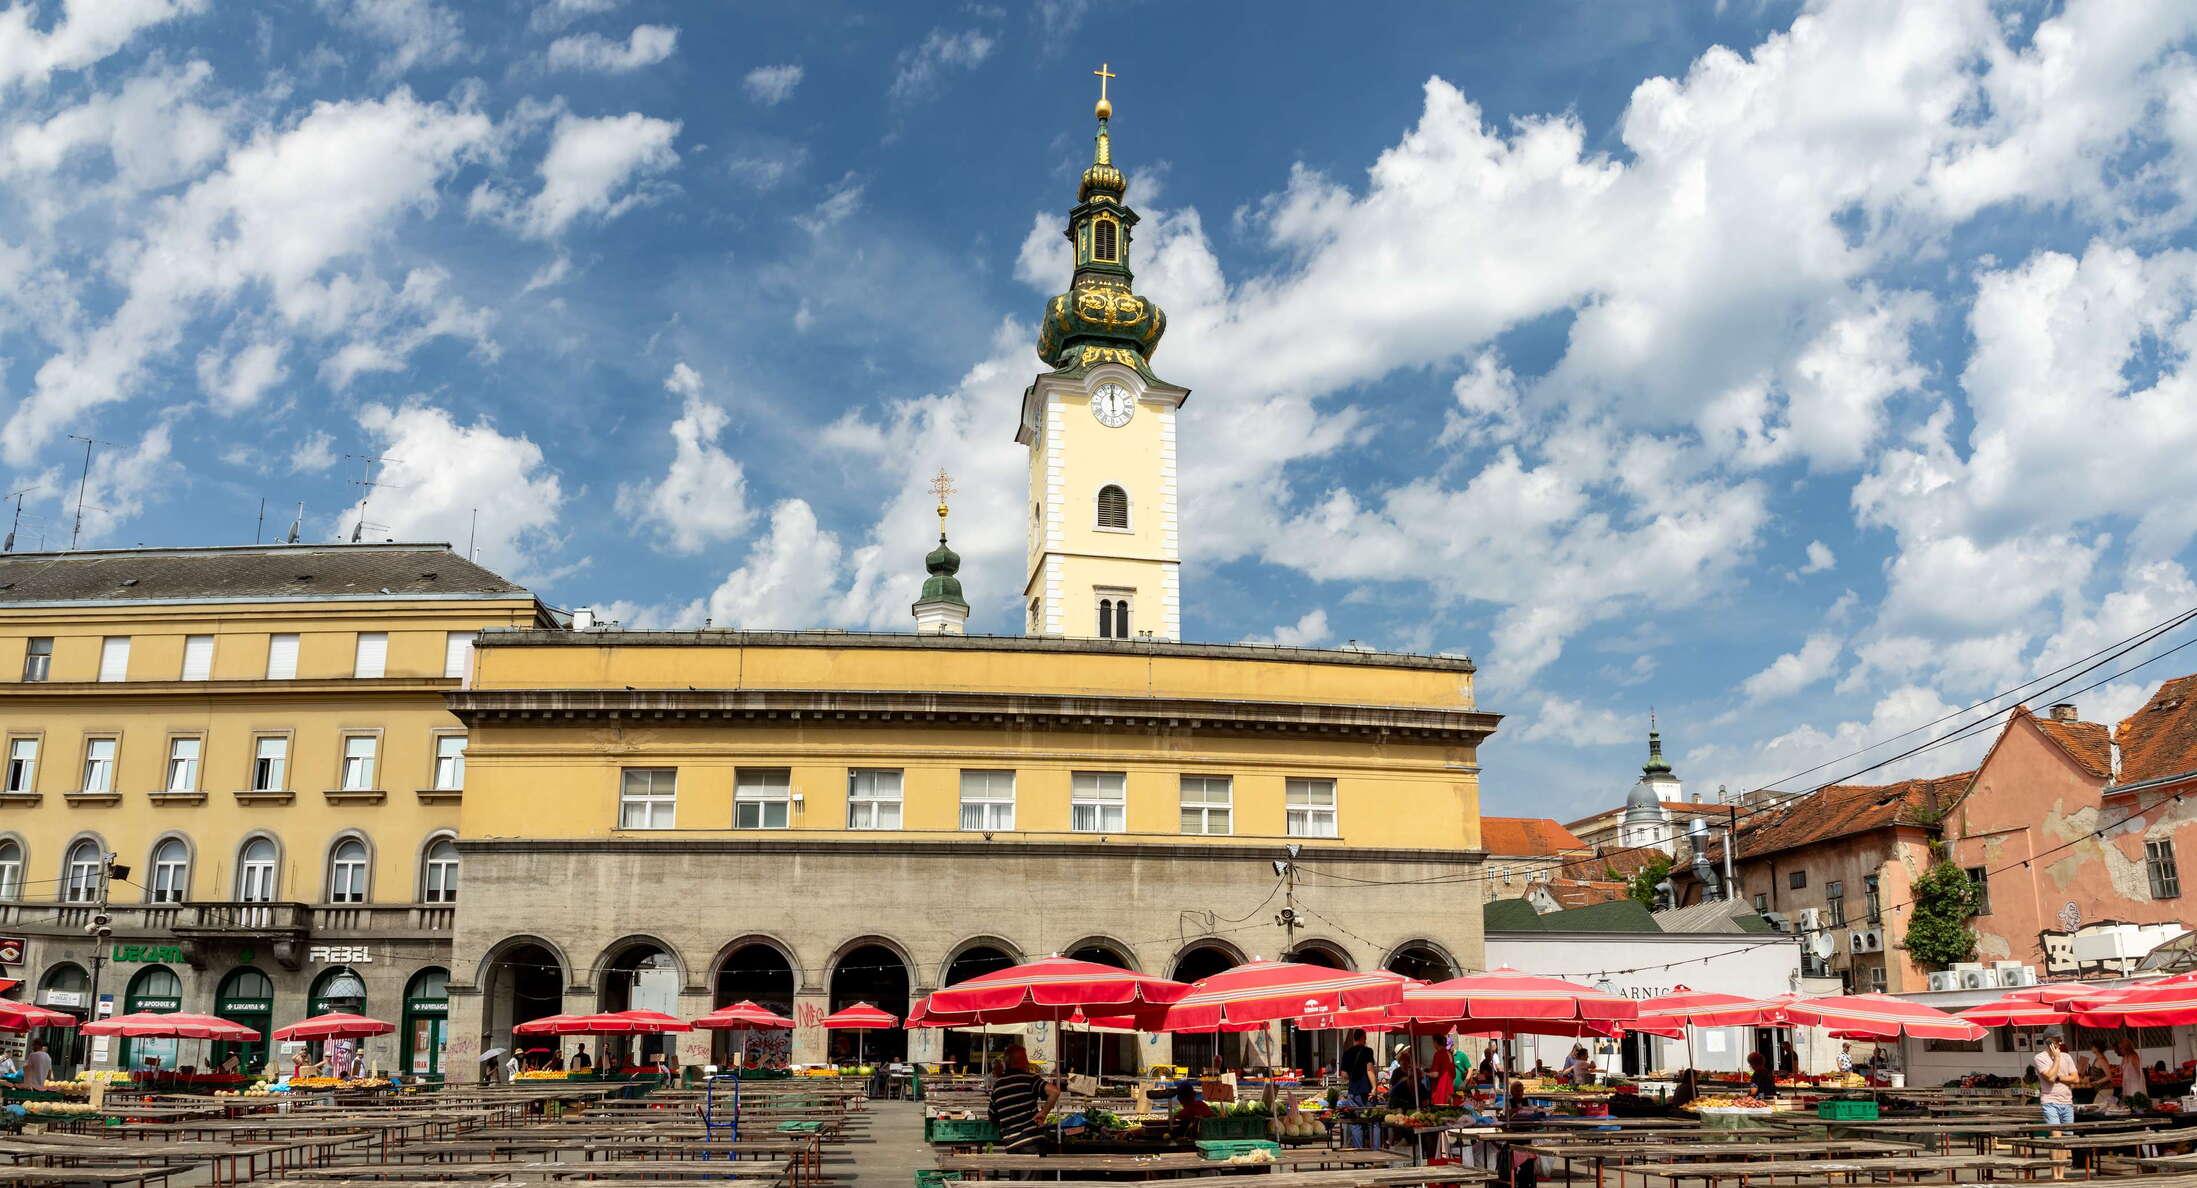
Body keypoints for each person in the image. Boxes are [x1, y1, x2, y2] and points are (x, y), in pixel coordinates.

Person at [987, 1044, 1057, 1156]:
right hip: (1031, 1142)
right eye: (1025, 1058)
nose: (1027, 1062)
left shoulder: (998, 1086)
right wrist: (1043, 1113)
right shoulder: (1030, 1079)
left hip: (1011, 1144)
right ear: (1019, 1061)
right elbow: (1054, 1092)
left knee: (1016, 1173)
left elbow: (992, 1116)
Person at [1339, 1029, 1376, 1148]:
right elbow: (1369, 1069)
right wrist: (1374, 1087)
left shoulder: (1347, 1053)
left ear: (1354, 1038)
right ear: (1362, 1038)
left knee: (1355, 1122)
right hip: (1367, 1091)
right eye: (1365, 1038)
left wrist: (1353, 1076)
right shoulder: (1367, 1051)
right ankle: (1376, 1154)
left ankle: (1359, 1154)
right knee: (1373, 1122)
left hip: (1353, 1091)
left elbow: (1344, 1075)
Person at [2035, 1033, 2079, 1126]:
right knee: (2057, 1135)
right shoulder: (2040, 1058)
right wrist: (2057, 1058)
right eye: (2057, 1041)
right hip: (2050, 1101)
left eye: (2061, 1041)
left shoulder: (2067, 1057)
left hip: (2067, 1102)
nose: (2060, 1043)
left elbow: (2076, 1079)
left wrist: (2058, 1078)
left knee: (2069, 1135)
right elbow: (2050, 1078)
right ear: (2048, 1042)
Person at [1388, 1045, 1420, 1110]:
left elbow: (1419, 1086)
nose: (1405, 1063)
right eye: (1403, 1062)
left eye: (1407, 1061)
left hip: (1411, 1100)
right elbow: (1392, 1088)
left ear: (1409, 1062)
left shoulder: (1414, 1071)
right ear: (1399, 1062)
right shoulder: (1396, 1071)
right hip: (1398, 1101)